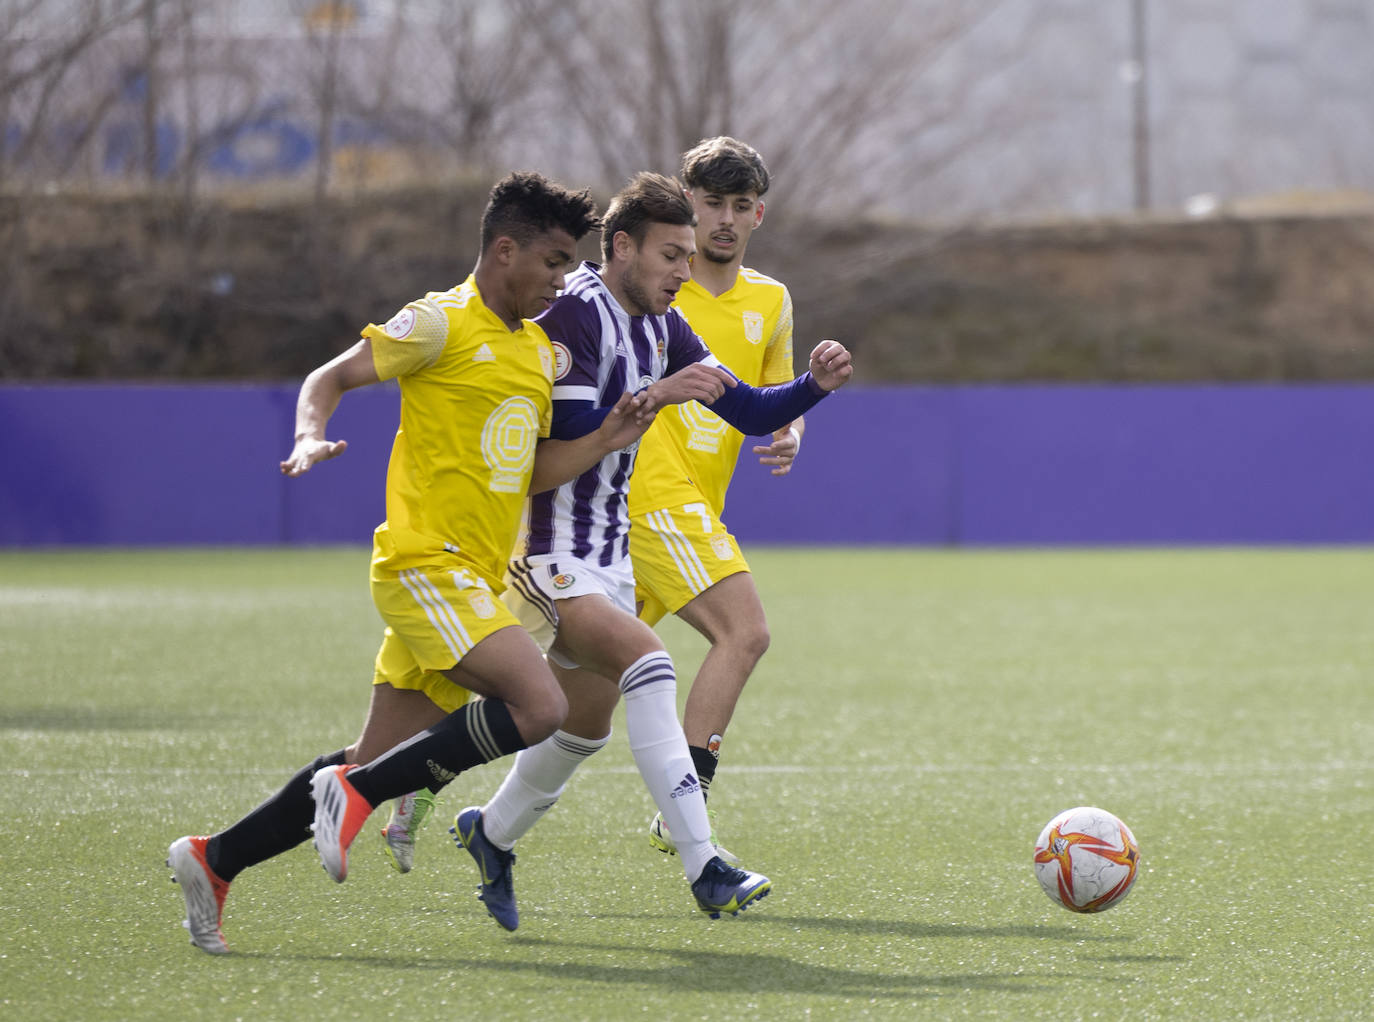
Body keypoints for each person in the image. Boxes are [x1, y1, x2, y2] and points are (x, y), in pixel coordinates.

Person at [165, 171, 644, 955]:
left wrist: (604, 438)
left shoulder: (533, 350)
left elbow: (527, 471)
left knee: (376, 760)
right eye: (554, 263)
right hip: (426, 568)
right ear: (503, 249)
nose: (563, 282)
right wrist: (306, 434)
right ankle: (353, 794)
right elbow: (331, 378)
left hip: (473, 582)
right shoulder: (439, 323)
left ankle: (215, 860)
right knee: (542, 707)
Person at [448, 171, 853, 931]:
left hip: (607, 554)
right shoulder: (571, 315)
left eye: (688, 256)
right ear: (623, 246)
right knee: (653, 663)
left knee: (581, 724)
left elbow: (748, 406)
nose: (683, 271)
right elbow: (558, 443)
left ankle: (489, 832)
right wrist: (659, 399)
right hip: (544, 551)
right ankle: (705, 863)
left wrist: (814, 388)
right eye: (672, 255)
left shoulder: (664, 327)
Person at [632, 136, 801, 862]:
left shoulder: (771, 300)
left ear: (759, 213)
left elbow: (774, 398)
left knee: (562, 689)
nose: (725, 220)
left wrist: (792, 432)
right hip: (653, 498)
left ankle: (432, 787)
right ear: (687, 207)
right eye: (711, 205)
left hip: (687, 509)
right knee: (746, 632)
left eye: (740, 206)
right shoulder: (657, 289)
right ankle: (685, 812)